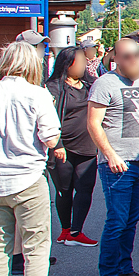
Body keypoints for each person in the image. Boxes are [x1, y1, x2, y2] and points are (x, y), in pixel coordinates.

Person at [0, 40, 72, 276]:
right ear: (33, 64)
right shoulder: (37, 93)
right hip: (27, 180)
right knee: (35, 247)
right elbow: (51, 138)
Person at [88, 37, 139, 276]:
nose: (133, 60)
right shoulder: (104, 83)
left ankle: (124, 269)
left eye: (136, 55)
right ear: (114, 58)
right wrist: (110, 155)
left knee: (130, 221)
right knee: (117, 221)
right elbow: (93, 123)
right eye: (126, 56)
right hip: (117, 164)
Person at [45, 47, 98, 248]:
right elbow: (47, 118)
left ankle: (76, 231)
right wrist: (56, 144)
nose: (85, 64)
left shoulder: (91, 85)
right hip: (62, 148)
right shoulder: (52, 87)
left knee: (85, 188)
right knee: (64, 190)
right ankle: (65, 230)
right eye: (81, 61)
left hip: (87, 146)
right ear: (68, 64)